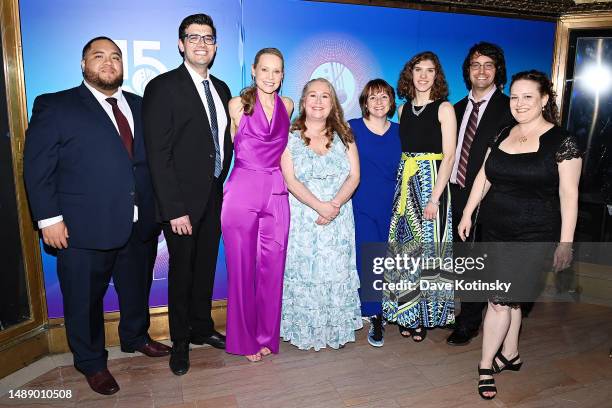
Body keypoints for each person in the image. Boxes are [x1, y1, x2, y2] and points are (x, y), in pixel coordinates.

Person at [23, 37, 169, 395]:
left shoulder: (140, 105)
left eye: (115, 57)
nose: (108, 63)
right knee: (83, 298)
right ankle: (91, 362)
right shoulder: (56, 106)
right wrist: (48, 219)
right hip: (81, 227)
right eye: (98, 56)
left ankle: (135, 337)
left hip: (139, 224)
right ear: (83, 64)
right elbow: (37, 167)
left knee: (137, 288)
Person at [458, 70, 581, 399]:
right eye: (514, 96)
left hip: (534, 234)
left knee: (498, 300)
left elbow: (569, 196)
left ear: (544, 100)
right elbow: (484, 175)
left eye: (528, 96)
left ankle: (485, 366)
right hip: (495, 228)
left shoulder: (563, 141)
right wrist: (469, 211)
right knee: (508, 298)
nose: (520, 103)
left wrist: (566, 242)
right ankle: (510, 354)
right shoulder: (502, 133)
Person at [142, 14, 233, 376]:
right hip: (180, 203)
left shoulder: (223, 89)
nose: (201, 43)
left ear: (215, 46)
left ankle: (201, 327)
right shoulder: (163, 86)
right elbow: (158, 154)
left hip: (213, 195)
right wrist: (175, 209)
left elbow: (220, 145)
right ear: (181, 44)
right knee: (181, 273)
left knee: (206, 267)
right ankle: (180, 343)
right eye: (193, 37)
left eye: (208, 38)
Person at [280, 78, 362, 350]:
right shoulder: (289, 135)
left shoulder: (345, 133)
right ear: (303, 102)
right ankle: (306, 331)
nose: (318, 101)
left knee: (335, 271)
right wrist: (320, 206)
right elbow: (290, 181)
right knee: (307, 273)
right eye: (312, 95)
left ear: (333, 102)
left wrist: (334, 205)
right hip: (305, 219)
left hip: (338, 219)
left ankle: (334, 330)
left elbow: (354, 175)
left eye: (325, 96)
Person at [222, 48, 293, 362]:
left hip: (276, 191)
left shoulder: (287, 105)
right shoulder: (237, 105)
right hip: (242, 191)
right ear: (253, 70)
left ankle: (266, 335)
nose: (270, 77)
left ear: (283, 74)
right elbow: (227, 150)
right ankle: (244, 340)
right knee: (241, 269)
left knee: (273, 268)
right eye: (265, 70)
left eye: (277, 71)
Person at [383, 51, 457, 342]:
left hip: (432, 184)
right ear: (409, 75)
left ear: (436, 76)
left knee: (429, 253)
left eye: (430, 70)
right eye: (418, 70)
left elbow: (449, 157)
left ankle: (426, 316)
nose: (424, 75)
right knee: (405, 252)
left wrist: (435, 197)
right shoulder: (401, 110)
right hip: (405, 184)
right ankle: (406, 311)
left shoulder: (444, 108)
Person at [446, 42, 514, 346]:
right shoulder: (456, 109)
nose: (482, 70)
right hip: (454, 191)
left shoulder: (510, 108)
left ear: (498, 71)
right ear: (467, 71)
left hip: (491, 196)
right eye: (475, 65)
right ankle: (465, 311)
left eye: (489, 65)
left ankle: (470, 322)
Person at [348, 79, 401, 347]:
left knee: (390, 259)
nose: (378, 102)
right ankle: (374, 314)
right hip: (361, 204)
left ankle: (395, 309)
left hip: (393, 205)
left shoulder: (402, 131)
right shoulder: (352, 128)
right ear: (364, 102)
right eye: (373, 97)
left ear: (391, 102)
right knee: (369, 258)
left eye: (384, 97)